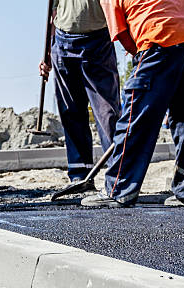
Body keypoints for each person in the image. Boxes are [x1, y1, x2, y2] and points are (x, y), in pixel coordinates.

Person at [82, 0, 184, 208]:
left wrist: (144, 61)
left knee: (135, 120)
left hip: (159, 39)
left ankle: (118, 190)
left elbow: (122, 34)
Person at [39, 0, 121, 189]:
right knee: (71, 112)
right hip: (63, 41)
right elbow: (53, 15)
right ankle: (80, 174)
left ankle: (118, 176)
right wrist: (48, 53)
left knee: (107, 114)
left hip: (98, 40)